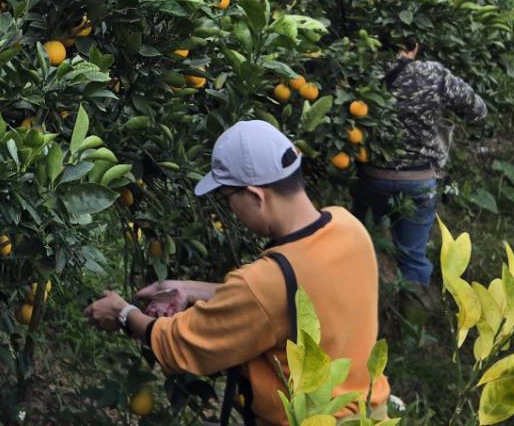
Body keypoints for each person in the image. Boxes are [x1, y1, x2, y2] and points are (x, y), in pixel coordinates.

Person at [84, 121, 390, 425]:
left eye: (229, 198)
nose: (230, 211)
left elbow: (179, 345)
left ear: (256, 195)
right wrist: (188, 288)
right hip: (368, 412)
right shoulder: (348, 227)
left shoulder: (265, 282)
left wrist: (124, 314)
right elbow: (285, 299)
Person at [353, 42, 486, 287]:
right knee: (412, 258)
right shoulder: (433, 74)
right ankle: (411, 320)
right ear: (415, 46)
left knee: (357, 244)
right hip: (419, 180)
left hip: (372, 176)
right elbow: (478, 110)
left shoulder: (364, 70)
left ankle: (356, 304)